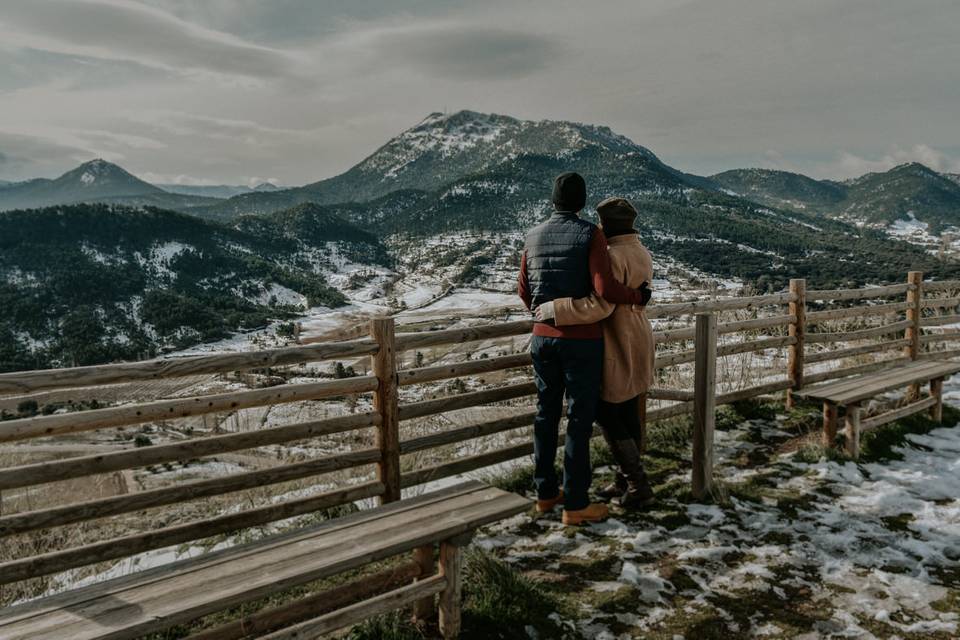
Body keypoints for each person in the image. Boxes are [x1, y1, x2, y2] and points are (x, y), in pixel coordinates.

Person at [518, 173, 650, 526]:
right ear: (582, 202)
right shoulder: (590, 234)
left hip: (542, 337)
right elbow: (605, 289)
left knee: (545, 416)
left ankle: (545, 494)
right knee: (578, 421)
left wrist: (545, 311)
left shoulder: (531, 237)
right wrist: (638, 296)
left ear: (553, 200)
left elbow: (523, 291)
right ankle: (575, 502)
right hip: (582, 341)